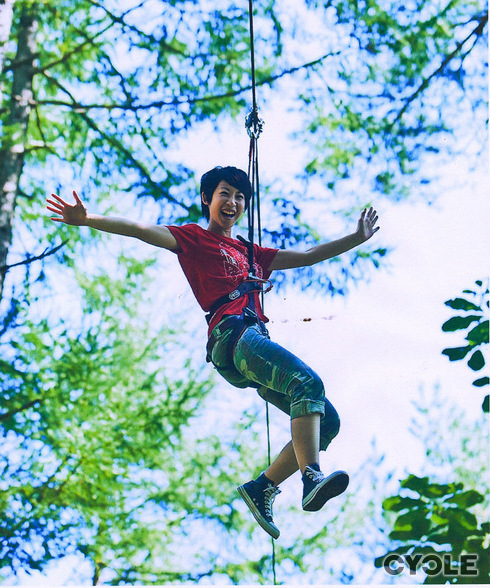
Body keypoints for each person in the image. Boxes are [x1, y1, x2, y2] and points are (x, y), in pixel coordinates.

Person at [47, 165, 379, 540]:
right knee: (307, 381)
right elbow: (141, 231)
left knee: (327, 421)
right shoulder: (193, 239)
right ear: (207, 199)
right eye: (225, 193)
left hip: (250, 345)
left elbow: (307, 255)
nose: (233, 202)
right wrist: (89, 219)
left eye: (240, 197)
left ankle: (262, 487)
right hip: (234, 338)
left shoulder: (252, 252)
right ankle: (311, 476)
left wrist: (355, 238)